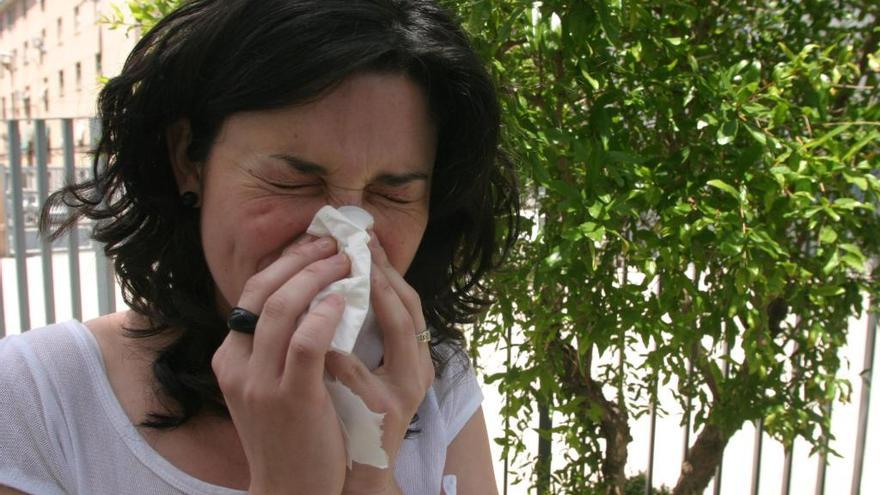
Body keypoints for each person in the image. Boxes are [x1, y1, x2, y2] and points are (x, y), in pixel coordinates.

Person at [0, 0, 518, 494]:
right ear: (189, 160)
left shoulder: (433, 379)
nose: (344, 234)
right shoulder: (34, 401)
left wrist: (368, 473)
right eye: (293, 181)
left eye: (392, 192)